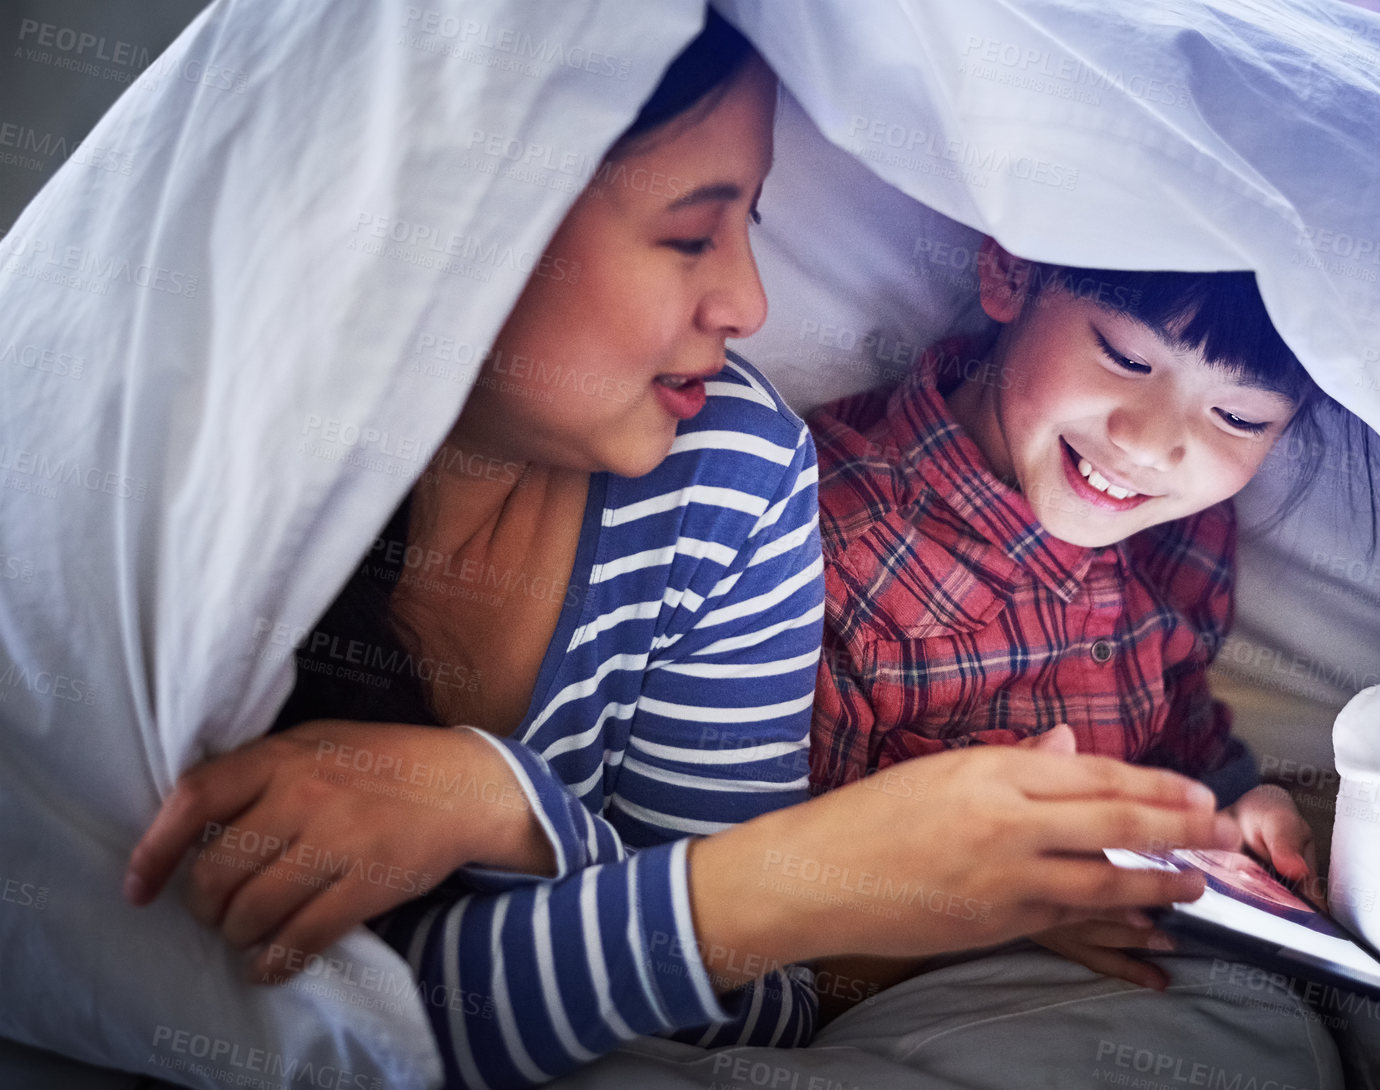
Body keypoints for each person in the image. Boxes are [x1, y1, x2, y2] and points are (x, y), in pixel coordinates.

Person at [121, 12, 1237, 1090]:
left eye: (753, 221)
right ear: (467, 217)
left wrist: (498, 803)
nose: (748, 300)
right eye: (690, 235)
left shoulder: (734, 478)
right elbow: (221, 1011)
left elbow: (746, 1003)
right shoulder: (186, 503)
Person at [807, 247, 1330, 992]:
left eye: (1237, 416)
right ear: (1010, 274)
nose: (1148, 445)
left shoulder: (1185, 535)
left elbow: (1187, 771)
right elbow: (770, 942)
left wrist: (1237, 830)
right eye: (1123, 357)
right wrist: (1007, 908)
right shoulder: (829, 556)